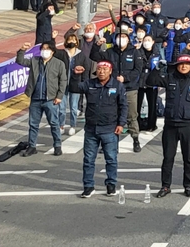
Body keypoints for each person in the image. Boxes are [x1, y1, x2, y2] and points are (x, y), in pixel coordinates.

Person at [149, 54, 190, 198]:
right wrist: (157, 68)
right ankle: (165, 186)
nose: (184, 66)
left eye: (187, 64)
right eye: (181, 64)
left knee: (189, 158)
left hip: (188, 125)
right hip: (171, 125)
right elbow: (150, 81)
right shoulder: (170, 78)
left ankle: (188, 186)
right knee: (168, 157)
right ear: (176, 66)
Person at [69, 60, 127, 198]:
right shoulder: (90, 84)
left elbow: (123, 106)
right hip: (91, 129)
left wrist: (121, 124)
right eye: (99, 69)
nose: (101, 71)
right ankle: (88, 186)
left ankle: (111, 184)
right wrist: (76, 75)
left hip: (110, 129)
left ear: (110, 71)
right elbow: (74, 88)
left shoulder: (118, 86)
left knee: (111, 159)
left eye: (104, 69)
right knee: (88, 160)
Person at [95, 31, 145, 152]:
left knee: (132, 115)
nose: (121, 39)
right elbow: (96, 57)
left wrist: (125, 78)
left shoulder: (134, 52)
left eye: (123, 37)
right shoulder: (110, 52)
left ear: (128, 40)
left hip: (130, 88)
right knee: (112, 115)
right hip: (113, 88)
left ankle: (135, 139)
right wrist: (97, 45)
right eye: (118, 37)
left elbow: (138, 69)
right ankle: (111, 142)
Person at [17, 42, 67, 156]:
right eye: (43, 48)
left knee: (54, 123)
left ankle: (57, 146)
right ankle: (32, 146)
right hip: (35, 98)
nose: (45, 51)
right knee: (33, 124)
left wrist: (59, 96)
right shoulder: (34, 60)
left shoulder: (59, 64)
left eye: (47, 49)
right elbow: (20, 61)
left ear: (52, 51)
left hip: (50, 99)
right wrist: (22, 50)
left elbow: (63, 81)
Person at [57, 33, 93, 136]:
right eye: (69, 40)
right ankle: (61, 125)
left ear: (77, 42)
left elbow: (86, 71)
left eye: (73, 40)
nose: (71, 42)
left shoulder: (81, 55)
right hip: (62, 84)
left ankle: (72, 125)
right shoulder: (62, 53)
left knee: (73, 108)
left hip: (75, 84)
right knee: (62, 108)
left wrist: (84, 84)